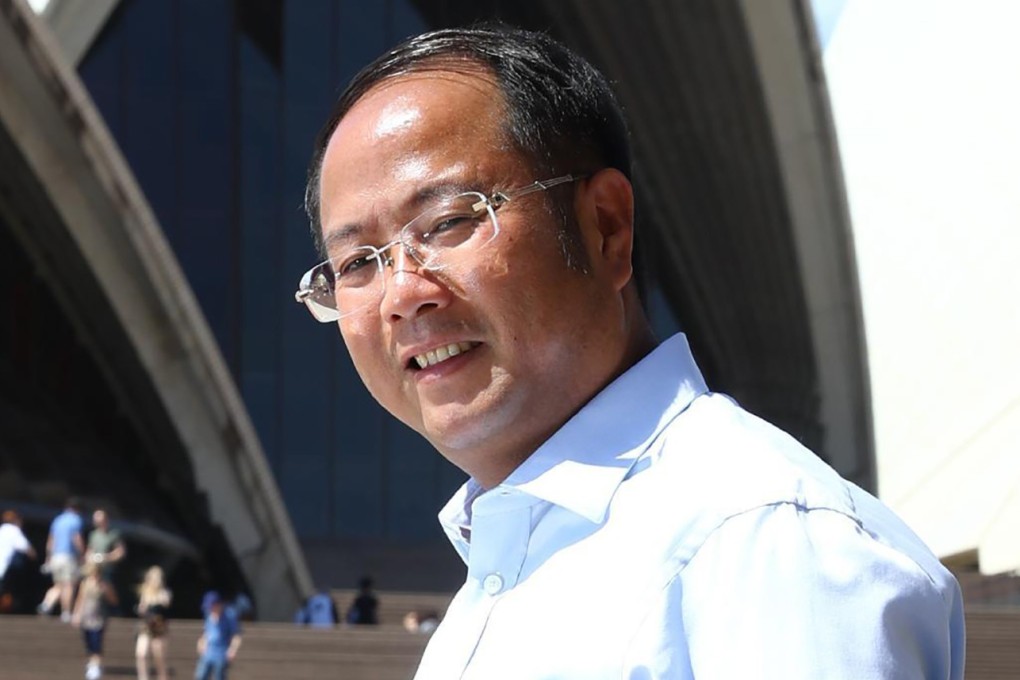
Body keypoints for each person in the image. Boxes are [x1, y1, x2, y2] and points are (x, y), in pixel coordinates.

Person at [294, 23, 965, 680]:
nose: (401, 295)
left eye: (447, 222)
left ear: (605, 228)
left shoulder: (764, 542)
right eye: (357, 263)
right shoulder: (498, 580)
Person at [39, 497, 85, 621]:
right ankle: (66, 612)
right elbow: (76, 538)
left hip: (55, 556)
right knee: (68, 585)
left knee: (58, 585)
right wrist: (83, 554)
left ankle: (46, 604)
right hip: (68, 556)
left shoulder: (57, 520)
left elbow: (50, 541)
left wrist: (48, 558)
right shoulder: (76, 520)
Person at [71, 561, 118, 680]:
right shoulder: (85, 583)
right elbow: (80, 599)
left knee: (96, 640)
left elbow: (114, 600)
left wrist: (106, 591)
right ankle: (92, 662)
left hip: (99, 617)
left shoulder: (105, 584)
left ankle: (95, 664)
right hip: (86, 617)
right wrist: (76, 614)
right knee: (88, 641)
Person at [194, 591, 241, 680]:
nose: (210, 609)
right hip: (208, 652)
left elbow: (236, 635)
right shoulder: (209, 616)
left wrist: (232, 649)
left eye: (211, 606)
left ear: (218, 605)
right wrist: (202, 642)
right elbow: (206, 633)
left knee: (219, 677)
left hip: (221, 653)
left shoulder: (229, 615)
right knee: (200, 676)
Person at [135, 566, 172, 680]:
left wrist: (156, 598)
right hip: (147, 625)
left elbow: (166, 603)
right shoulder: (145, 591)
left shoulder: (164, 592)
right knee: (141, 654)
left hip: (159, 626)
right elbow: (142, 607)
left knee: (159, 657)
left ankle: (163, 677)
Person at [0, 509, 37, 611]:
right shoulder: (14, 530)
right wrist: (34, 557)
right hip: (6, 566)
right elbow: (25, 547)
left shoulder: (2, 529)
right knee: (8, 589)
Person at [85, 509, 126, 584]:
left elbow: (120, 552)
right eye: (96, 520)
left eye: (100, 520)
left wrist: (105, 557)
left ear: (106, 520)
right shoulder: (93, 535)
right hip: (94, 571)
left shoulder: (113, 534)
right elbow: (89, 551)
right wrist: (90, 559)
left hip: (107, 571)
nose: (98, 523)